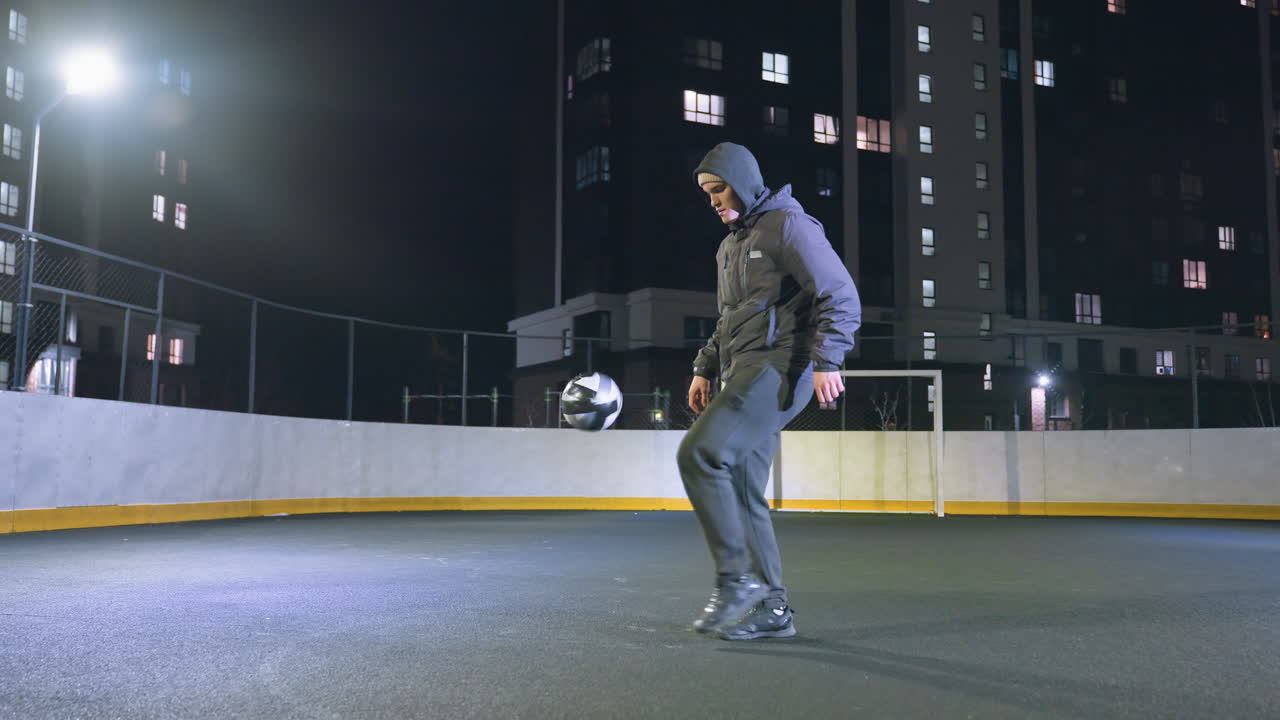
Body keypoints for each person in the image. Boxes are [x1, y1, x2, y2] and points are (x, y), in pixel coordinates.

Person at [679, 142, 861, 640]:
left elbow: (839, 293)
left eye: (719, 189)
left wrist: (828, 360)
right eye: (707, 194)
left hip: (781, 368)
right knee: (741, 487)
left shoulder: (788, 226)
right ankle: (774, 609)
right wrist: (703, 367)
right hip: (744, 368)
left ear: (743, 182)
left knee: (700, 454)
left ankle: (736, 579)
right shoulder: (730, 246)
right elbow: (728, 319)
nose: (713, 201)